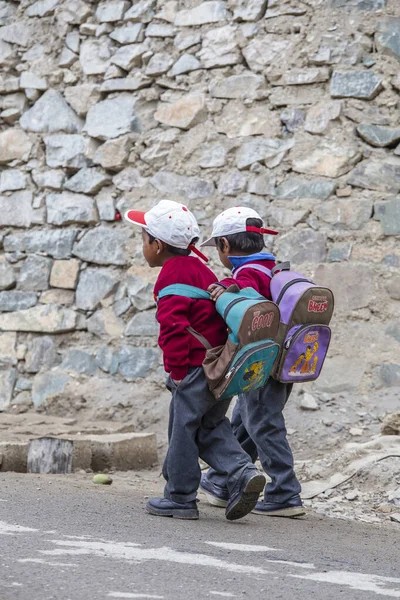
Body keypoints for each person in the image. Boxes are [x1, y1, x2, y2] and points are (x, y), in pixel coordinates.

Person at [125, 200, 266, 521]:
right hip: (221, 366)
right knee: (210, 426)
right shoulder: (200, 269)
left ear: (157, 245)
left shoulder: (170, 279)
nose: (143, 246)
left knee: (183, 429)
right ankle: (243, 472)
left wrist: (176, 373)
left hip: (194, 367)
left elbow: (173, 331)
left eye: (143, 239)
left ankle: (179, 497)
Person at [200, 206, 305, 518]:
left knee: (264, 425)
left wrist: (227, 290)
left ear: (224, 246)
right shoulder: (269, 267)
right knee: (246, 422)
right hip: (278, 360)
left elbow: (253, 306)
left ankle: (285, 493)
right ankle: (222, 481)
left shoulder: (247, 274)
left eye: (216, 247)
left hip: (263, 363)